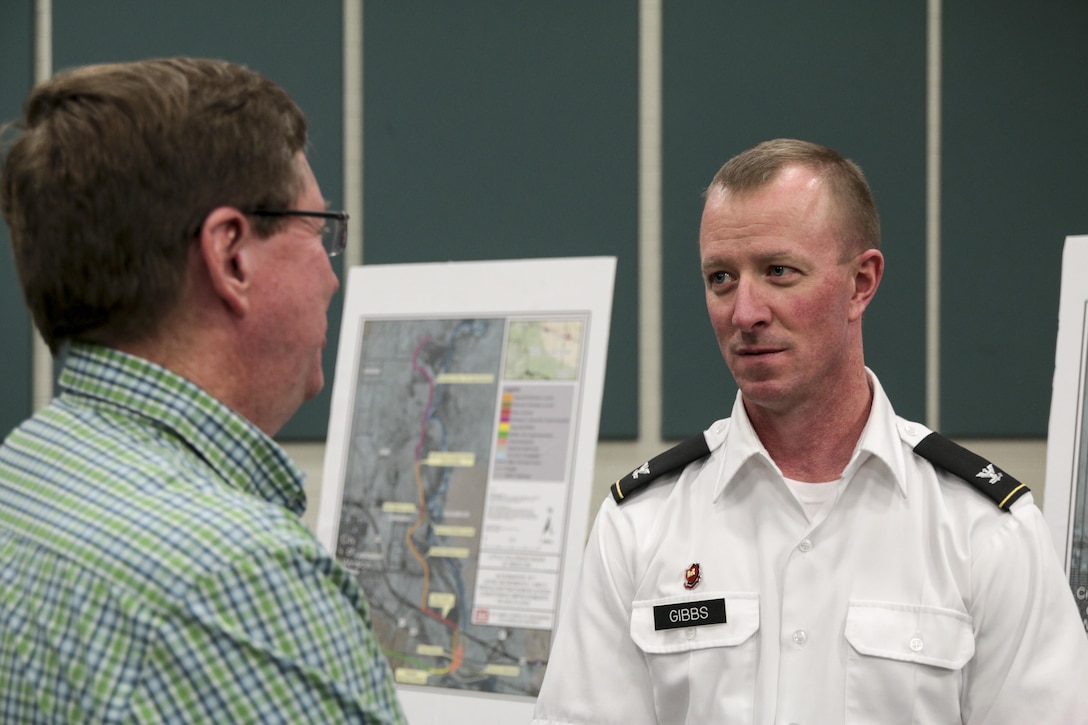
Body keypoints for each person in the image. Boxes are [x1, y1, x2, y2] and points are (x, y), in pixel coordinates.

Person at [532, 139, 1088, 724]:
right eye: (721, 277)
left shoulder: (983, 528)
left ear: (860, 283)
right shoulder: (640, 523)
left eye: (778, 271)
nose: (744, 312)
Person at [0, 58, 406, 723]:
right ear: (231, 256)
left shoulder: (24, 473)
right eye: (319, 231)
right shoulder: (239, 578)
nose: (332, 279)